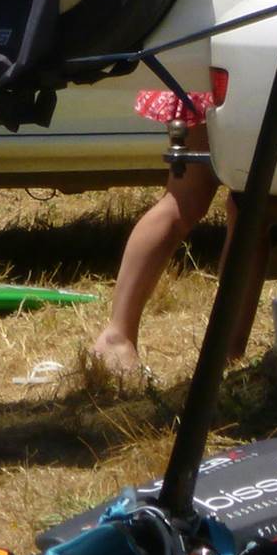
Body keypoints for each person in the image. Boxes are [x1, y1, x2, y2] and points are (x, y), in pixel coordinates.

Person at [90, 86, 254, 377]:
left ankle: (118, 335)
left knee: (193, 201)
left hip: (209, 79)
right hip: (236, 83)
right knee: (247, 207)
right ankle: (227, 354)